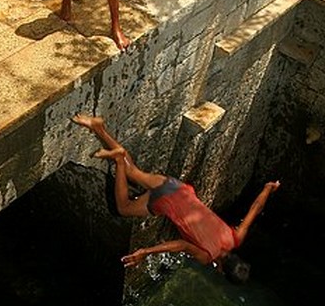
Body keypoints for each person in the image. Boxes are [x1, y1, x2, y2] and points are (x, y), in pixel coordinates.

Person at [73, 114, 280, 282]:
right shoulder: (206, 256)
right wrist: (146, 251)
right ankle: (118, 160)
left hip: (178, 187)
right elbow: (181, 245)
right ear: (220, 270)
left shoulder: (236, 237)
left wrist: (267, 189)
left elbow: (255, 208)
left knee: (133, 172)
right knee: (124, 208)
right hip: (164, 202)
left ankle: (98, 127)